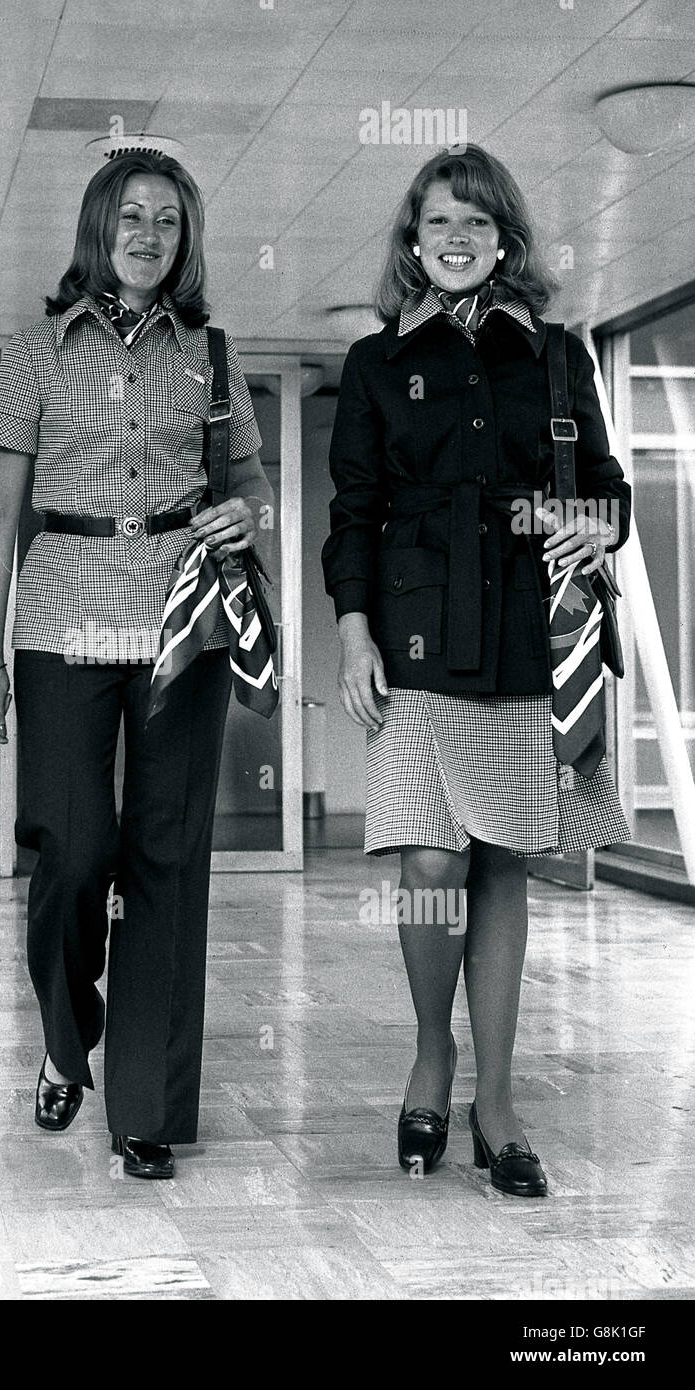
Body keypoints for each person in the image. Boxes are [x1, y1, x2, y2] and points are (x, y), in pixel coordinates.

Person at [322, 144, 631, 1197]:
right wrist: (353, 631)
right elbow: (351, 515)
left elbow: (608, 496)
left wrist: (590, 530)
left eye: (477, 223)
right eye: (438, 221)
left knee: (500, 862)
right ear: (413, 241)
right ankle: (430, 1052)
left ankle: (495, 1100)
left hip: (522, 644)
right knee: (428, 867)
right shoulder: (372, 364)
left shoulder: (554, 356)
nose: (456, 239)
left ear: (506, 241)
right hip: (410, 647)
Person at [0, 150, 270, 1178]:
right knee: (72, 842)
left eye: (168, 222)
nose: (148, 235)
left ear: (185, 242)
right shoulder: (31, 353)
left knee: (166, 855)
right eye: (129, 217)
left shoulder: (215, 358)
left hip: (185, 620)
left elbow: (253, 489)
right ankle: (67, 1038)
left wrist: (245, 513)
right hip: (60, 612)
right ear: (97, 228)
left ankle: (143, 1105)